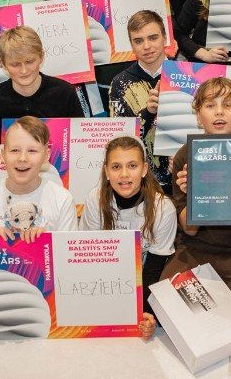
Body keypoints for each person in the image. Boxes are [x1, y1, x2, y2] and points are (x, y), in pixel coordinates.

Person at [164, 77, 231, 315]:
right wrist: (194, 194)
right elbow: (190, 229)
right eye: (210, 105)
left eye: (228, 105)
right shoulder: (185, 156)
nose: (219, 112)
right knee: (172, 306)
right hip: (197, 249)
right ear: (198, 115)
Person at [83, 135, 176, 341]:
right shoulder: (95, 200)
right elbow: (92, 263)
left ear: (144, 169)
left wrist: (143, 314)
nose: (124, 174)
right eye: (116, 167)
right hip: (104, 281)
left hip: (145, 281)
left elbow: (153, 269)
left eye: (132, 166)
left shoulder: (163, 208)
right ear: (106, 171)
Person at [0, 116, 77, 237]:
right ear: (2, 155)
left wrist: (44, 240)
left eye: (32, 151)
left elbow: (67, 248)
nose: (22, 158)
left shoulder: (63, 200)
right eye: (15, 150)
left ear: (46, 155)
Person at [0, 26, 83, 145]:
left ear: (41, 57)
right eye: (15, 64)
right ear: (3, 64)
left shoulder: (65, 93)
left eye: (29, 62)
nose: (24, 70)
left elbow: (80, 140)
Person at [110, 10, 171, 188]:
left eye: (153, 38)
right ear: (131, 44)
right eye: (138, 41)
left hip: (184, 175)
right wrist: (148, 113)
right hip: (141, 182)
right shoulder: (120, 83)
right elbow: (120, 141)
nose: (146, 46)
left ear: (165, 38)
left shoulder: (187, 75)